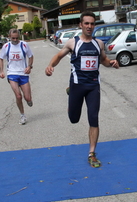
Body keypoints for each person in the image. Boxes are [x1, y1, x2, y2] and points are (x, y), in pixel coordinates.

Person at [45, 11, 119, 168]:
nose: (89, 26)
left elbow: (104, 60)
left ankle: (92, 154)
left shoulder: (99, 44)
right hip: (77, 86)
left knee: (94, 118)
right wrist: (50, 66)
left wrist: (111, 63)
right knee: (74, 119)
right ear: (81, 25)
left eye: (92, 23)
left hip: (93, 86)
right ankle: (70, 92)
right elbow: (58, 56)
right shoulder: (73, 43)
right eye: (86, 23)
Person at [0, 29, 34, 125]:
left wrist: (29, 66)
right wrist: (1, 71)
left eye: (16, 38)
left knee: (27, 98)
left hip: (23, 73)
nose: (15, 40)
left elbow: (30, 56)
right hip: (12, 74)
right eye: (13, 38)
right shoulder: (6, 46)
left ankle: (29, 100)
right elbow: (1, 58)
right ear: (9, 36)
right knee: (18, 96)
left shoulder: (24, 45)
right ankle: (22, 115)